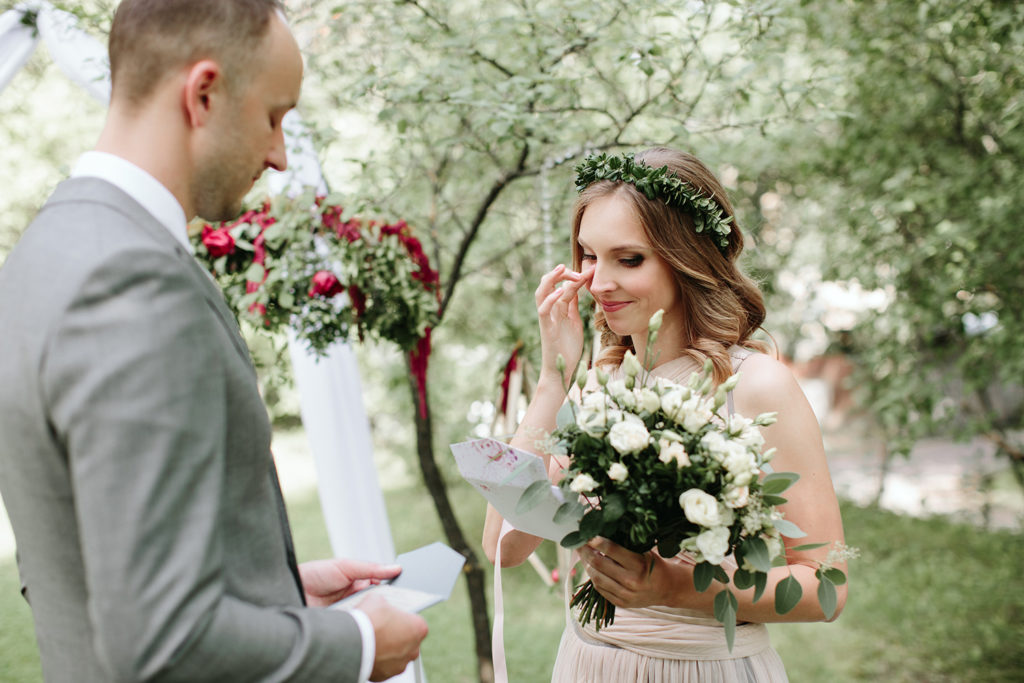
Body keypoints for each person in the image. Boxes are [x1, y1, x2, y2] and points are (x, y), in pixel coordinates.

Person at [0, 1, 427, 681]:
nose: (281, 155)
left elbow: (81, 552)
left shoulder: (41, 252)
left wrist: (275, 594)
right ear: (203, 93)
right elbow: (160, 638)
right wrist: (357, 642)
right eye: (274, 116)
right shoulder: (133, 280)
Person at [482, 147, 847, 681]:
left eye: (628, 259)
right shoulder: (598, 383)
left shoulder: (755, 385)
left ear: (687, 258)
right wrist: (552, 380)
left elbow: (827, 587)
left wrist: (675, 588)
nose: (599, 282)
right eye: (588, 256)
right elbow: (503, 545)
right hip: (587, 663)